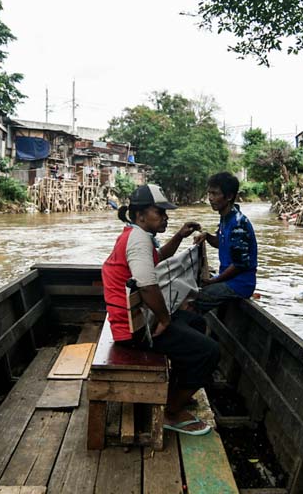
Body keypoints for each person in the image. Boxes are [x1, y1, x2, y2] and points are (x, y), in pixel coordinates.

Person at [101, 184, 220, 436]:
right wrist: (164, 318)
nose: (165, 216)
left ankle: (174, 390)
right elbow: (146, 285)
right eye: (160, 212)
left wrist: (178, 236)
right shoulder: (138, 241)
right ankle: (171, 412)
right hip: (134, 331)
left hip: (135, 319)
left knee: (195, 323)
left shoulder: (136, 235)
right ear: (141, 215)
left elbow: (159, 257)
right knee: (209, 351)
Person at [193, 172, 258, 312]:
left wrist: (215, 281)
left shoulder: (238, 224)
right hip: (229, 281)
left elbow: (240, 264)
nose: (210, 198)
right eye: (209, 193)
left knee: (193, 299)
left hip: (239, 284)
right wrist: (207, 236)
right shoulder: (225, 218)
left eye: (215, 194)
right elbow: (220, 243)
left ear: (229, 196)